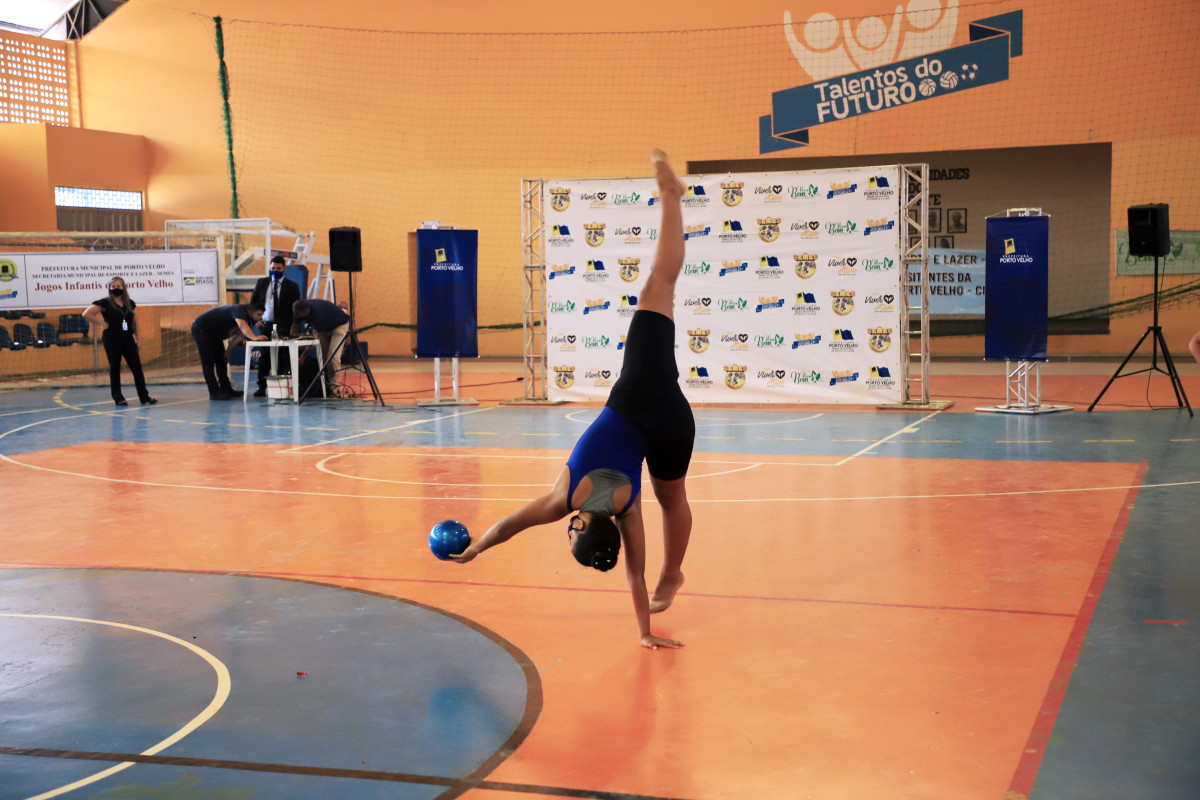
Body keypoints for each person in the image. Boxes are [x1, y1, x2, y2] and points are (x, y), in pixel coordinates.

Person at [449, 149, 694, 651]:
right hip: (642, 389)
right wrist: (477, 548)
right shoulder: (563, 500)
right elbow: (510, 525)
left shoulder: (627, 512)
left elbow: (633, 574)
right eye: (573, 534)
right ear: (581, 524)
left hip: (673, 418)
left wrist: (645, 633)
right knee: (659, 285)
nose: (567, 532)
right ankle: (671, 194)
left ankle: (673, 575)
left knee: (673, 500)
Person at [81, 276, 156, 406]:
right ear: (110, 288)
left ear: (123, 288)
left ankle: (144, 396)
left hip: (128, 339)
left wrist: (139, 339)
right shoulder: (104, 302)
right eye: (113, 287)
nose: (116, 288)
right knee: (115, 367)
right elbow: (86, 313)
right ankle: (118, 397)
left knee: (137, 368)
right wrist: (102, 323)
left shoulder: (130, 303)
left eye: (118, 286)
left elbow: (135, 323)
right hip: (112, 339)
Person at [249, 255, 302, 397]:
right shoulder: (262, 283)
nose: (275, 271)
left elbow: (296, 307)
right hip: (266, 324)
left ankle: (283, 385)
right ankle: (261, 386)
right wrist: (255, 319)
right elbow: (253, 303)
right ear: (269, 268)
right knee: (264, 355)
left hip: (284, 325)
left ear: (284, 269)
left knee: (284, 355)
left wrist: (295, 324)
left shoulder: (292, 286)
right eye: (273, 268)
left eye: (278, 269)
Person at [191, 302, 266, 399]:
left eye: (262, 315)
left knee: (222, 360)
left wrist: (228, 351)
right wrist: (254, 337)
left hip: (214, 334)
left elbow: (240, 336)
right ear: (251, 311)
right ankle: (214, 392)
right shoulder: (239, 310)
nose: (260, 317)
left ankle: (226, 389)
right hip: (201, 329)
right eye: (259, 314)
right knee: (208, 362)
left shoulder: (250, 320)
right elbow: (241, 325)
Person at [292, 299, 351, 392]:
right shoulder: (298, 311)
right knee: (322, 358)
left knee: (333, 358)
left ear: (307, 311)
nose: (299, 317)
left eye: (300, 315)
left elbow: (314, 341)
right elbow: (294, 327)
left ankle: (334, 389)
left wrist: (303, 356)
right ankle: (323, 387)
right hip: (325, 327)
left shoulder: (317, 315)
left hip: (339, 326)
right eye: (297, 315)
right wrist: (293, 341)